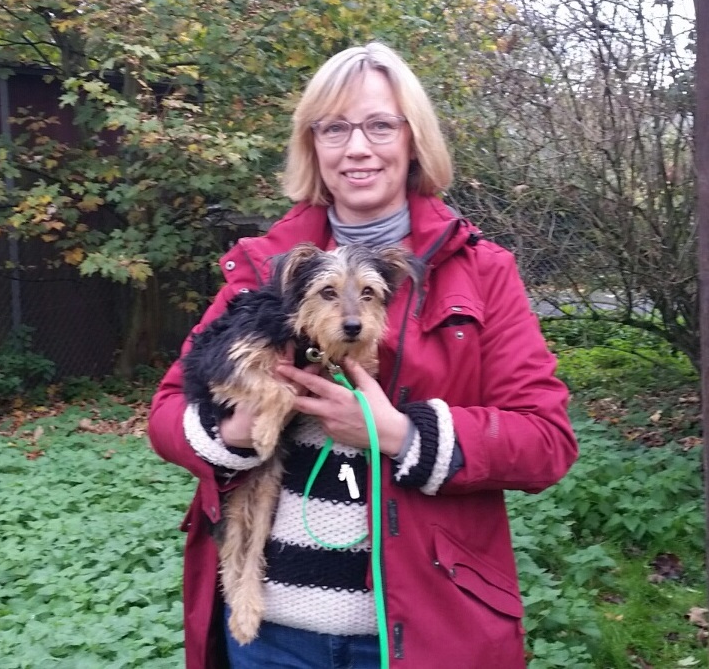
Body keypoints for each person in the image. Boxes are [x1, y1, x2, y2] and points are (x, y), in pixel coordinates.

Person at [148, 42, 578, 669]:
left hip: (421, 634)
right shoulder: (265, 266)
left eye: (379, 125)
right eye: (334, 128)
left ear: (413, 140)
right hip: (271, 636)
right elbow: (166, 413)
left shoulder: (482, 271)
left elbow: (546, 440)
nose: (356, 147)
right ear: (313, 145)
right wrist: (238, 429)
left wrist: (398, 433)